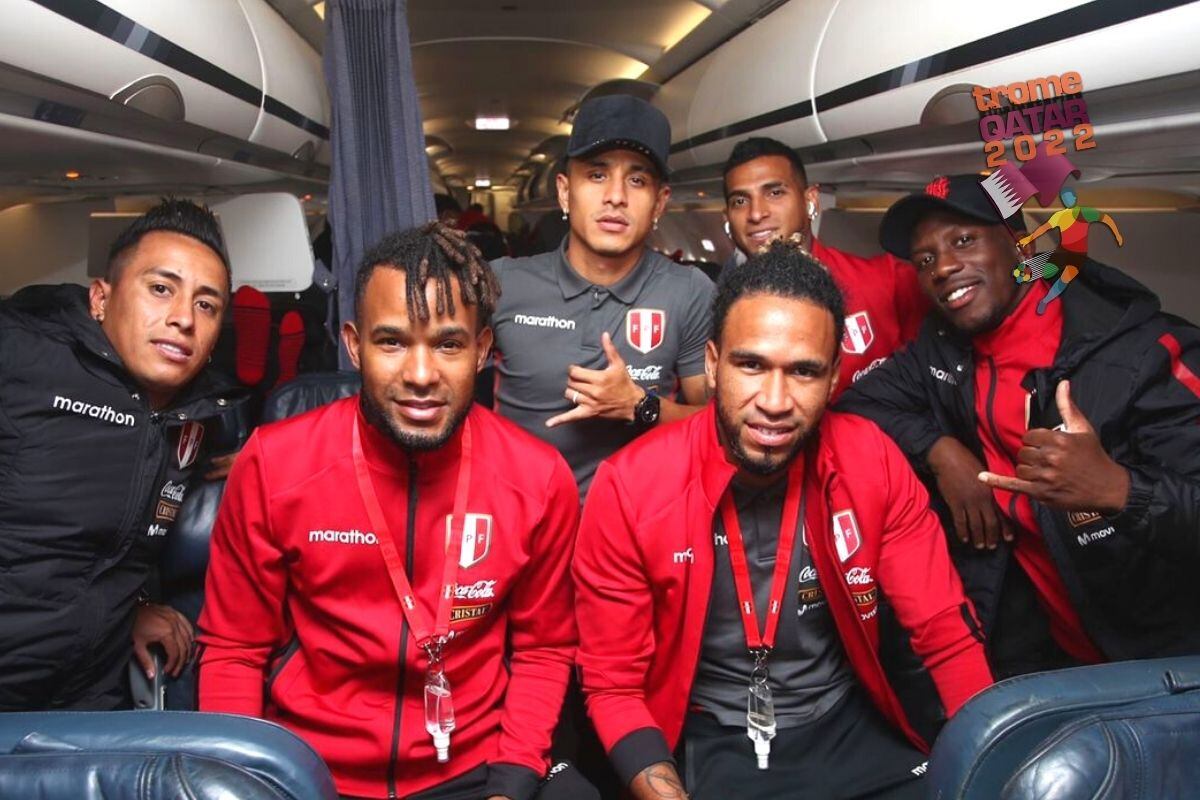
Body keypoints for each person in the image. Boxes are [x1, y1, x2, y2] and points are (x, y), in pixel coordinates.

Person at [574, 241, 992, 799]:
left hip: (848, 725)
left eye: (803, 372)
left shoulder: (872, 460)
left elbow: (944, 633)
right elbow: (612, 683)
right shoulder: (631, 486)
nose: (774, 400)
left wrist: (989, 762)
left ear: (835, 376)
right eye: (751, 365)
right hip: (713, 735)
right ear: (712, 362)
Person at [198, 224, 588, 800]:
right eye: (392, 342)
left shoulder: (537, 478)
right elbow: (234, 650)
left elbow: (543, 649)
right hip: (307, 769)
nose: (421, 375)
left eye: (449, 344)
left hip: (472, 769)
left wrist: (511, 781)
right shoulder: (275, 464)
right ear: (355, 345)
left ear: (482, 351)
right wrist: (241, 780)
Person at [839, 174, 1200, 677]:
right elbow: (856, 403)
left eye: (963, 240)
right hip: (1047, 650)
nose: (942, 267)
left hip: (1163, 664)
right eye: (924, 260)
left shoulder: (1143, 354)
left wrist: (1117, 488)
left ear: (1017, 243)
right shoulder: (943, 350)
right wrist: (941, 451)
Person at [0, 198, 236, 711]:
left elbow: (120, 545)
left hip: (87, 701)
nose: (182, 319)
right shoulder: (19, 358)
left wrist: (137, 607)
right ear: (100, 299)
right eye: (160, 289)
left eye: (206, 305)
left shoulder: (198, 419)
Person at [490, 94, 714, 496]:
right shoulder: (502, 283)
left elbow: (715, 424)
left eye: (637, 179)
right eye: (596, 175)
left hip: (635, 528)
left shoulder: (690, 291)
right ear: (564, 191)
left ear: (660, 202)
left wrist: (639, 406)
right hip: (519, 521)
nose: (615, 196)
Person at [722, 137, 927, 394]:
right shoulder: (727, 312)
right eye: (740, 201)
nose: (755, 214)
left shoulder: (888, 281)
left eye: (775, 193)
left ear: (811, 201)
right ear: (727, 217)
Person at [1017, 187, 1124, 313]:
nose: (1067, 200)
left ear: (1074, 198)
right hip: (1062, 252)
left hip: (1077, 256)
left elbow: (1106, 219)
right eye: (1065, 198)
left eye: (1069, 197)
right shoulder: (1060, 216)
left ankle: (1045, 301)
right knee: (1046, 272)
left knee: (1063, 281)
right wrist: (1030, 237)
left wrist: (1117, 235)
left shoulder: (1085, 213)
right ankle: (1020, 279)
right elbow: (1044, 229)